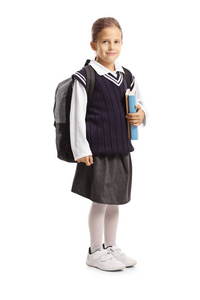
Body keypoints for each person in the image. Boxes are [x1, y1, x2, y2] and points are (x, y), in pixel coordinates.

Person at [69, 17, 148, 271]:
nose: (110, 46)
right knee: (100, 201)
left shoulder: (127, 75)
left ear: (122, 43)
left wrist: (141, 115)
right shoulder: (85, 77)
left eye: (115, 41)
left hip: (121, 148)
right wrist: (81, 150)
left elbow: (139, 105)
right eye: (105, 41)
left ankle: (111, 246)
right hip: (97, 151)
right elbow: (76, 117)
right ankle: (95, 251)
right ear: (93, 44)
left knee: (115, 201)